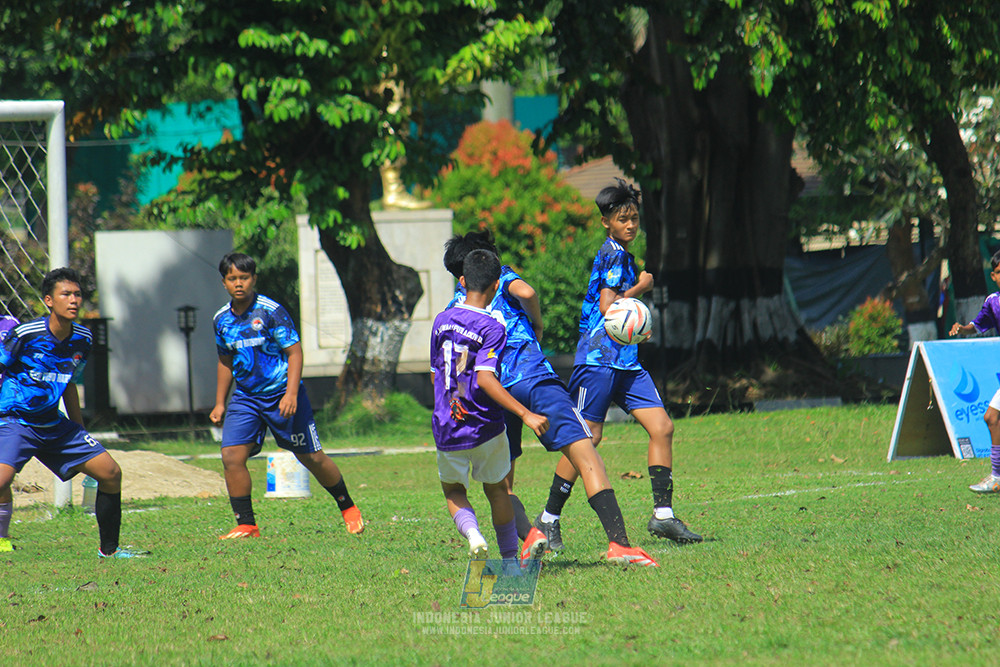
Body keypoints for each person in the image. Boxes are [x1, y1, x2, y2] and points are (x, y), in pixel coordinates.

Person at [444, 232, 660, 566]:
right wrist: (538, 325)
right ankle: (620, 544)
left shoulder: (453, 309)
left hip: (496, 395)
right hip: (532, 377)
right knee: (585, 453)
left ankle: (532, 536)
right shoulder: (502, 278)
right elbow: (527, 292)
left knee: (502, 485)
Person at [537, 179, 703, 547]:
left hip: (626, 362)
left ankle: (663, 517)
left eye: (634, 219)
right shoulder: (612, 254)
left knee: (662, 427)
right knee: (587, 437)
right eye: (622, 219)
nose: (630, 225)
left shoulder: (625, 256)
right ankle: (548, 518)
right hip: (597, 361)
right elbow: (609, 308)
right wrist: (641, 289)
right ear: (606, 223)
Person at [210, 253, 364, 538]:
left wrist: (291, 393)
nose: (239, 284)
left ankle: (347, 507)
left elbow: (294, 352)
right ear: (224, 283)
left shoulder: (271, 311)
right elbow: (225, 361)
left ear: (253, 279)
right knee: (231, 455)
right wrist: (220, 402)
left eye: (244, 278)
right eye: (233, 279)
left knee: (312, 458)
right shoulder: (221, 319)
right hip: (246, 397)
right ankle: (247, 524)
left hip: (282, 393)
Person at [0, 268, 143, 557]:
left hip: (54, 424)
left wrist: (79, 429)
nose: (74, 300)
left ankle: (110, 551)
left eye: (77, 294)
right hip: (16, 421)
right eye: (66, 294)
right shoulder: (25, 334)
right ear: (49, 300)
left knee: (110, 472)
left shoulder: (83, 338)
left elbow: (68, 385)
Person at [431, 249, 550, 564]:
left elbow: (435, 376)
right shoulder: (494, 327)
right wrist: (525, 413)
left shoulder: (441, 321)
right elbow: (485, 378)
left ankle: (473, 535)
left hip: (448, 424)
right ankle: (510, 561)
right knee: (498, 490)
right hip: (485, 424)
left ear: (461, 281)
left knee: (455, 492)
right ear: (497, 287)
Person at [950, 249, 1000, 493]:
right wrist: (962, 328)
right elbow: (977, 325)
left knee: (993, 417)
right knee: (992, 418)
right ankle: (997, 477)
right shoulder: (993, 302)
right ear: (993, 275)